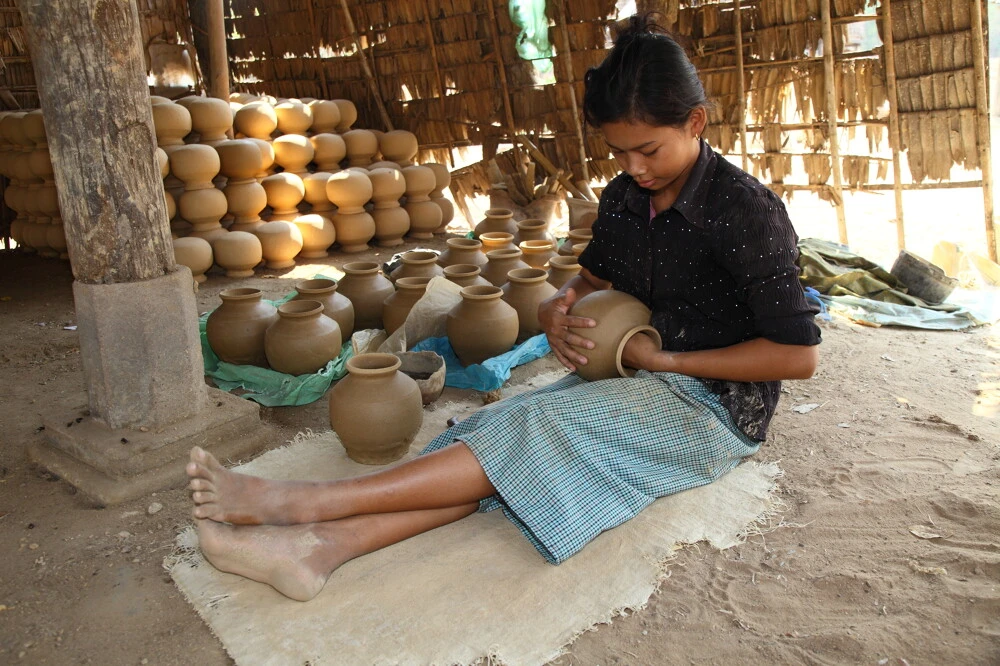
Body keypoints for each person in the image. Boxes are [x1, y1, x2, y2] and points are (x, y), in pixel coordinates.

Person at [186, 15, 822, 602]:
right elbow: (587, 278)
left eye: (648, 151)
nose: (633, 168)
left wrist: (666, 358)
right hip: (638, 375)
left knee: (533, 434)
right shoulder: (628, 196)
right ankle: (321, 550)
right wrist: (555, 307)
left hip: (715, 408)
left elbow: (798, 356)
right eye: (618, 152)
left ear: (695, 122)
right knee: (495, 434)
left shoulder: (746, 212)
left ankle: (300, 506)